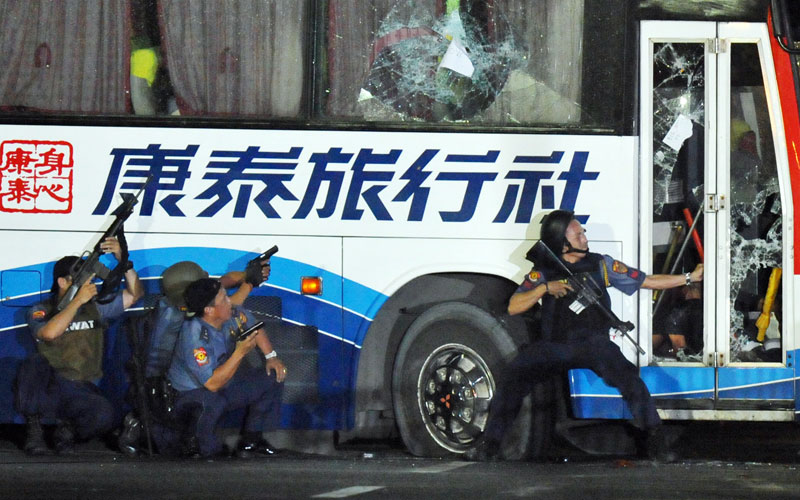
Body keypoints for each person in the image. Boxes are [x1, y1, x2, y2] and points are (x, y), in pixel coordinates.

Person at [467, 210, 703, 462]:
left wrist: (688, 278)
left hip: (594, 344)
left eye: (582, 232)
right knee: (513, 378)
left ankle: (656, 441)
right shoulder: (544, 271)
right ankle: (489, 445)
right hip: (554, 346)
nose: (584, 237)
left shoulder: (600, 265)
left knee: (630, 380)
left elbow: (646, 281)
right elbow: (514, 305)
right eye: (578, 234)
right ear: (562, 242)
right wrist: (546, 288)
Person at [16, 237, 143, 455]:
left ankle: (67, 433)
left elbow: (135, 294)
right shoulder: (42, 309)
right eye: (80, 279)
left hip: (81, 387)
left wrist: (125, 261)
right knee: (33, 365)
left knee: (105, 414)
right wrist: (77, 301)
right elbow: (49, 333)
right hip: (52, 384)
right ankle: (34, 431)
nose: (88, 283)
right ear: (62, 282)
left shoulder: (96, 308)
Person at [166, 277, 286, 458]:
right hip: (191, 394)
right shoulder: (195, 335)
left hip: (223, 384)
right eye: (223, 299)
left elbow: (255, 327)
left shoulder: (231, 315)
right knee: (214, 404)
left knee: (273, 375)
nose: (230, 301)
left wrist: (271, 357)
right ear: (209, 310)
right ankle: (200, 446)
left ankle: (251, 441)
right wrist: (240, 352)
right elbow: (212, 384)